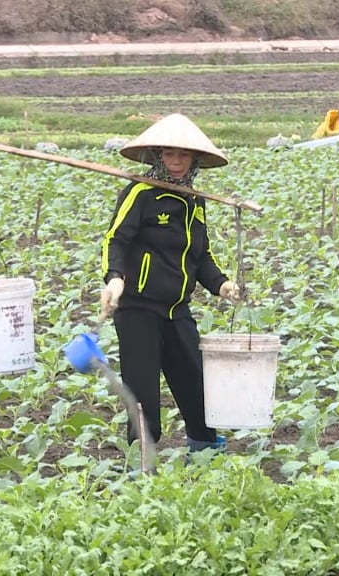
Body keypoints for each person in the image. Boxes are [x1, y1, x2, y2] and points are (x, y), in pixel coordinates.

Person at [99, 113, 243, 460]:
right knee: (143, 389)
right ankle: (141, 458)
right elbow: (115, 240)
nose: (176, 162)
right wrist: (115, 278)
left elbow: (201, 255)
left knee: (194, 379)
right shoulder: (140, 193)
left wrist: (221, 284)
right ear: (157, 157)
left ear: (194, 160)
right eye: (169, 155)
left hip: (176, 309)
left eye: (183, 155)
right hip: (137, 308)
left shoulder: (195, 200)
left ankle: (204, 447)